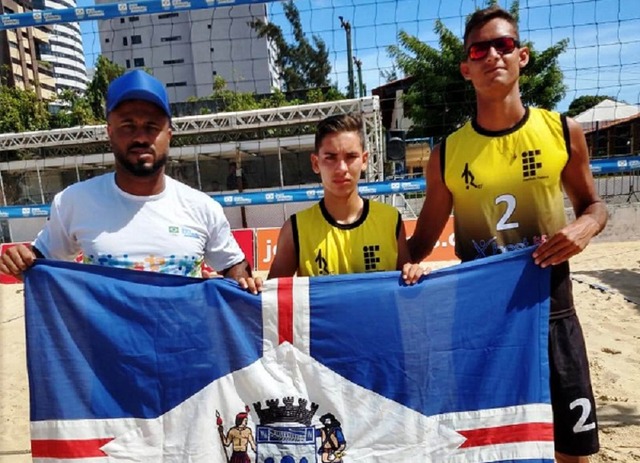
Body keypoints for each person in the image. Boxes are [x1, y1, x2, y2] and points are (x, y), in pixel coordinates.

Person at [407, 6, 607, 463]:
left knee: (571, 451)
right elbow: (418, 246)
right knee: (485, 448)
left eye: (504, 44)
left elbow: (594, 206)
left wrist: (584, 227)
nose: (493, 54)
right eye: (480, 48)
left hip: (551, 308)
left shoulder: (561, 130)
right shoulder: (447, 154)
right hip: (480, 319)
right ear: (466, 66)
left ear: (523, 56)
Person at [0, 70, 262, 294]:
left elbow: (233, 267)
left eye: (151, 126)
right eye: (128, 125)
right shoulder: (73, 201)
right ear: (109, 132)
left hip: (182, 349)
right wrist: (21, 260)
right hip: (104, 352)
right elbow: (41, 262)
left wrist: (243, 282)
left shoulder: (202, 207)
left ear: (168, 134)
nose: (140, 137)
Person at [267, 113, 424, 284]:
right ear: (315, 163)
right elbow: (271, 299)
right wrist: (253, 289)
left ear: (364, 161)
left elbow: (406, 289)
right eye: (330, 157)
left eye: (350, 157)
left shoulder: (390, 220)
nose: (341, 168)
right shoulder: (295, 229)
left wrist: (413, 273)